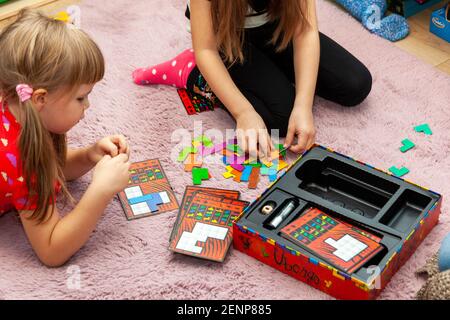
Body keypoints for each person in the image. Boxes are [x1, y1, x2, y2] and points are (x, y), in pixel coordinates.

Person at [0, 10, 131, 267]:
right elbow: (52, 250)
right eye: (81, 97)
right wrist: (100, 191)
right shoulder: (21, 159)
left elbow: (51, 167)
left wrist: (87, 155)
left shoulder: (19, 105)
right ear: (40, 99)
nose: (88, 105)